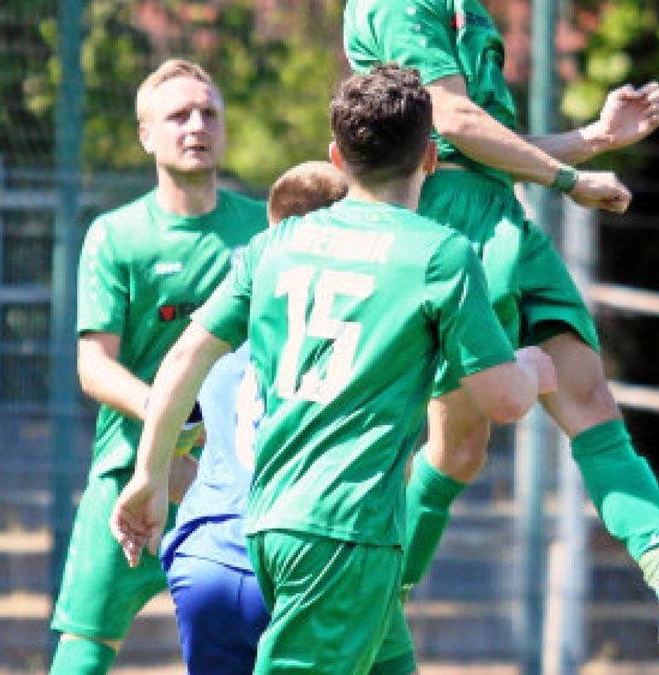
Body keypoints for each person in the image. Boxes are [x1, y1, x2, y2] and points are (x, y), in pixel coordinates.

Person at [343, 0, 659, 654]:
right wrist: (570, 178)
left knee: (587, 394)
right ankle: (373, 608)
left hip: (501, 214)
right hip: (446, 219)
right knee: (458, 444)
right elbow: (455, 123)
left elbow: (488, 145)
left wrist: (596, 138)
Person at [110, 65, 557, 674]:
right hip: (344, 534)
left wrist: (149, 473)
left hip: (269, 524)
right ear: (429, 156)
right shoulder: (438, 254)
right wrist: (532, 366)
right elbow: (503, 401)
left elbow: (185, 355)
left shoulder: (274, 246)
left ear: (336, 156)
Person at [49, 58, 267, 674]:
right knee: (81, 653)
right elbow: (94, 368)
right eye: (178, 115)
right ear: (146, 134)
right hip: (131, 474)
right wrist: (171, 416)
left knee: (262, 650)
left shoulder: (263, 230)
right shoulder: (116, 236)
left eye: (209, 113)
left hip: (241, 483)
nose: (196, 125)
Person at [159, 161, 347, 674]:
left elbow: (180, 437)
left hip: (207, 558)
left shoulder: (221, 319)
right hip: (300, 558)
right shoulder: (351, 330)